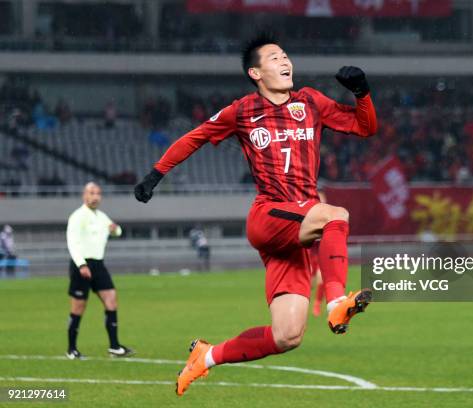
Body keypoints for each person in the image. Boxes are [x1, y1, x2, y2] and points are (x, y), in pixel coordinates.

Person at [134, 32, 377, 396]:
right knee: (336, 215)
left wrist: (362, 93)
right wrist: (156, 174)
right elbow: (195, 137)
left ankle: (207, 356)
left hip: (297, 228)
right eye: (275, 57)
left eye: (285, 55)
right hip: (269, 215)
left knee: (288, 335)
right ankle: (338, 302)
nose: (285, 61)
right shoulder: (243, 111)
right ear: (255, 73)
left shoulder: (310, 101)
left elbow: (365, 126)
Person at [65, 182, 134, 359]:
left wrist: (115, 229)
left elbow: (117, 231)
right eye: (91, 192)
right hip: (82, 265)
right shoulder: (78, 216)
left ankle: (114, 346)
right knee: (78, 307)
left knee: (111, 299)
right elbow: (72, 243)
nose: (95, 196)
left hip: (98, 265)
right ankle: (71, 349)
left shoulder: (101, 216)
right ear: (84, 195)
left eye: (98, 193)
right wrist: (81, 264)